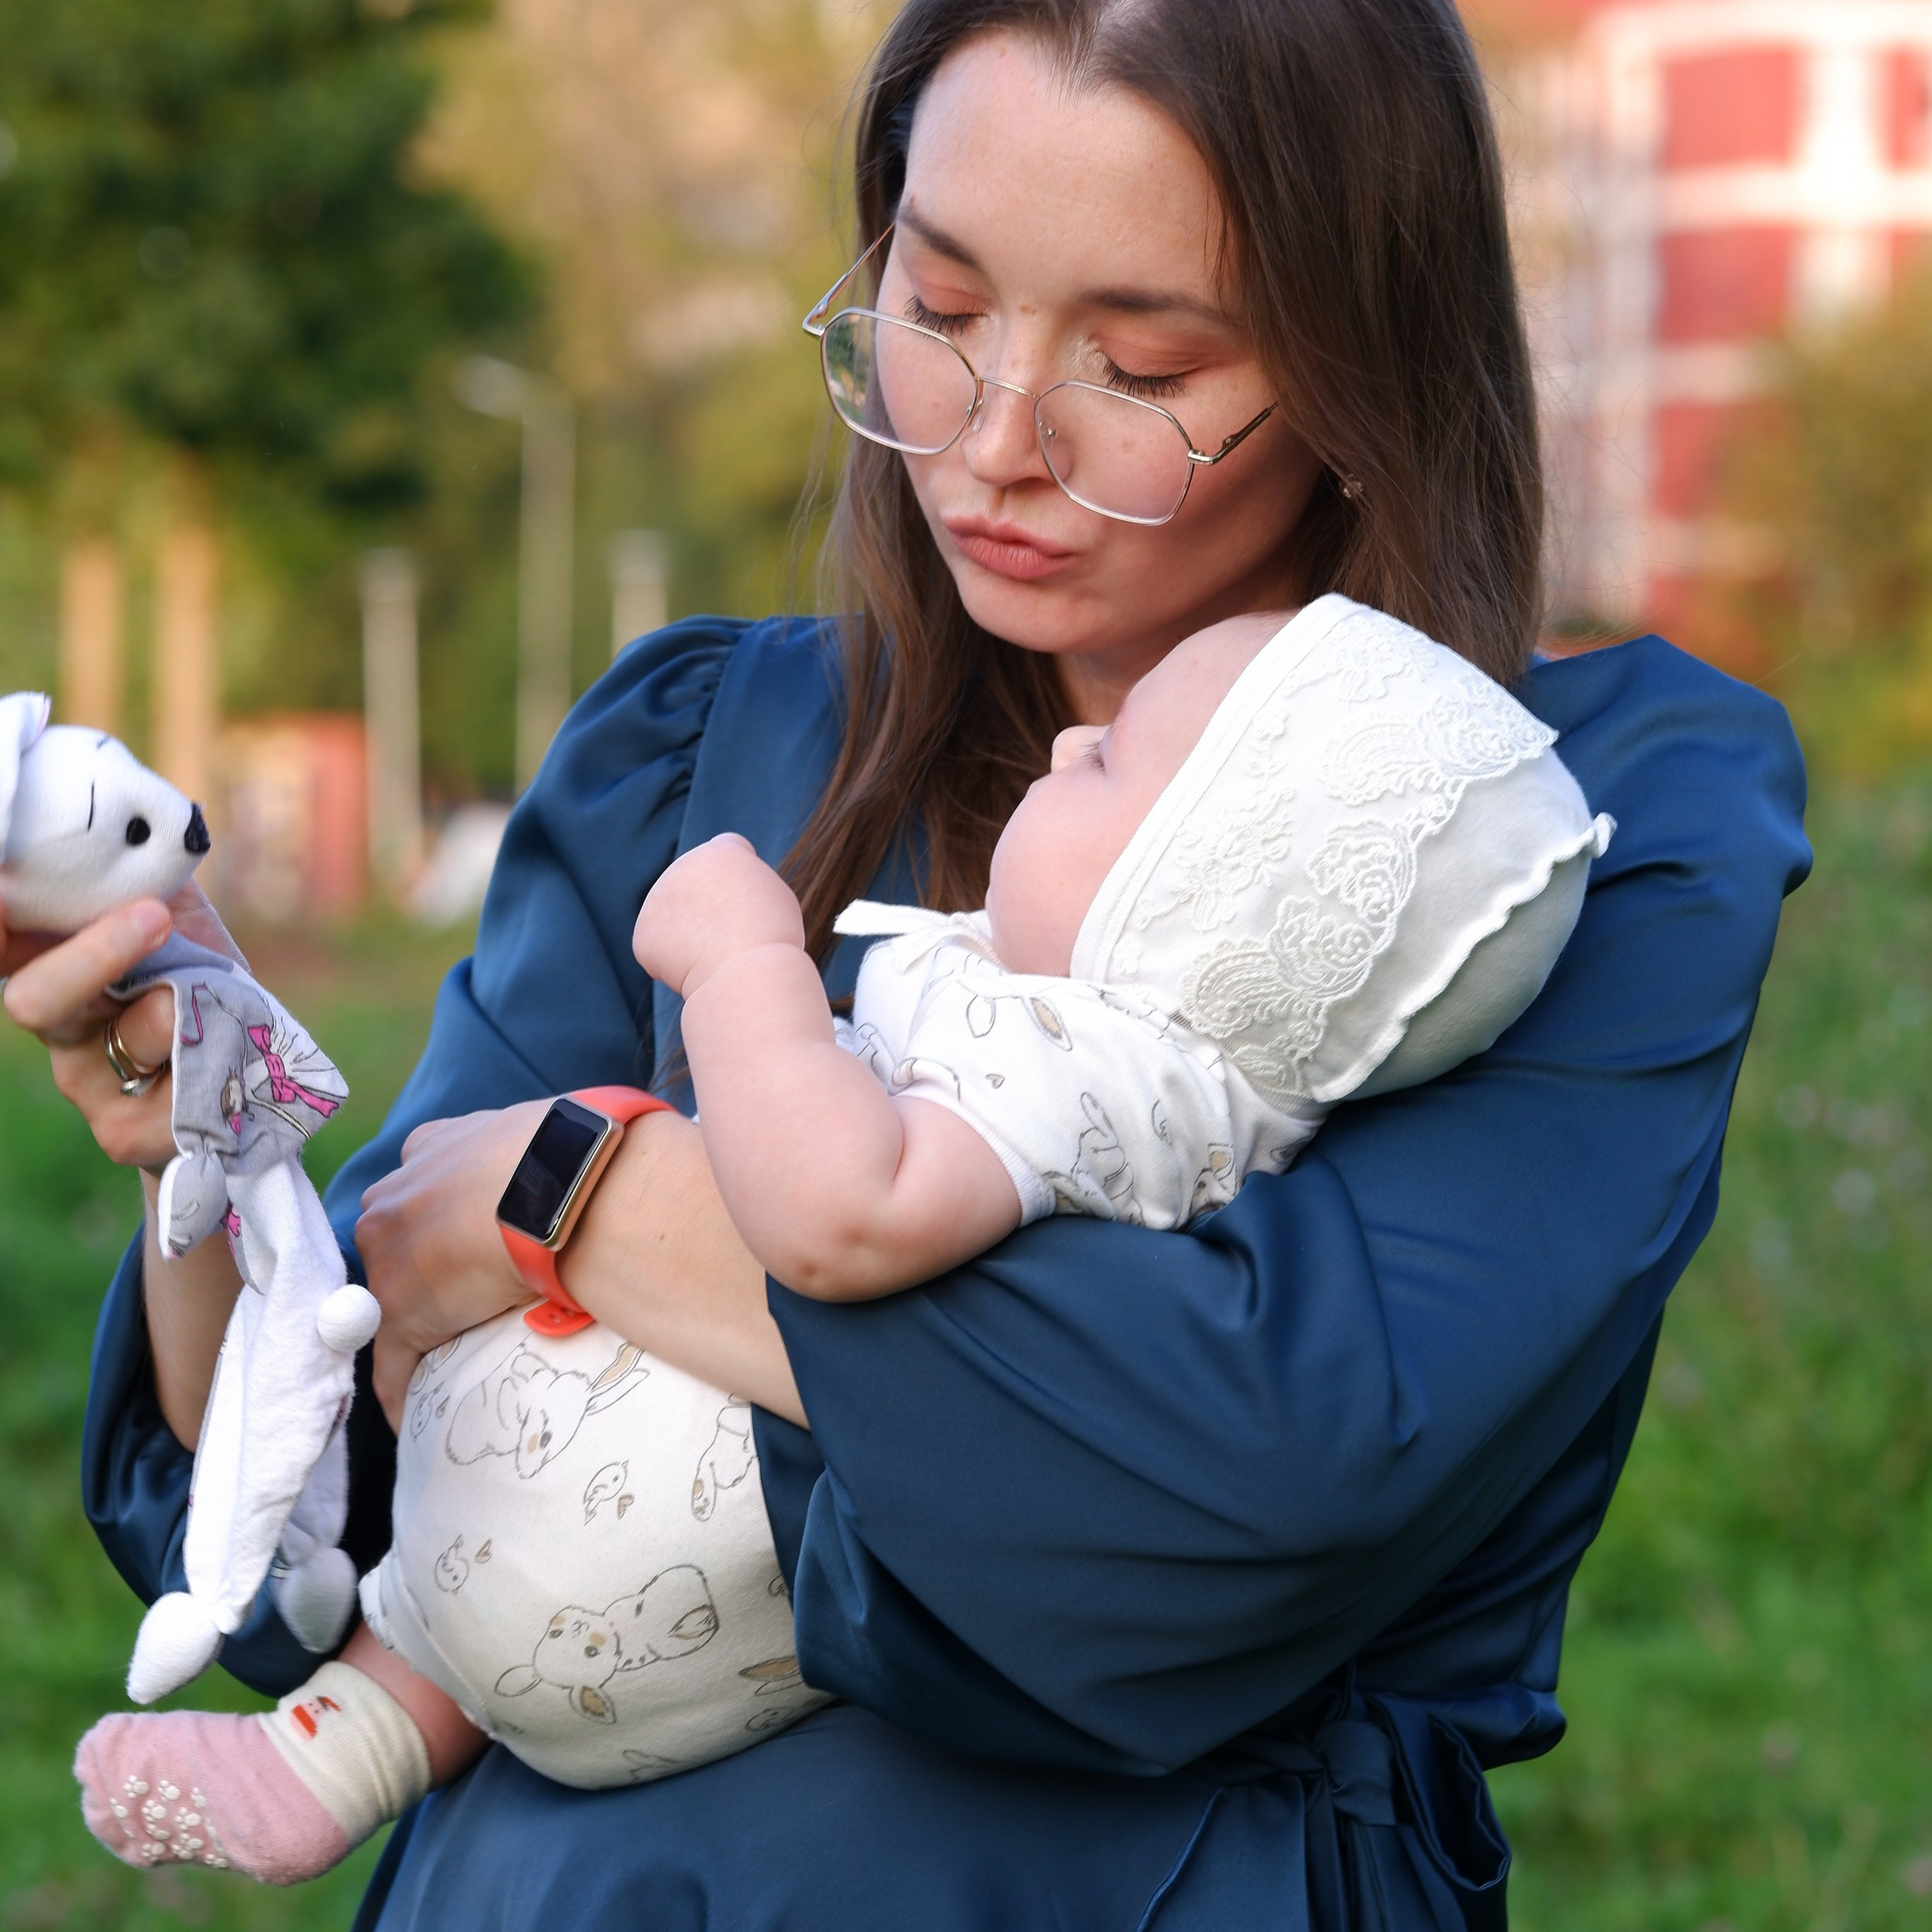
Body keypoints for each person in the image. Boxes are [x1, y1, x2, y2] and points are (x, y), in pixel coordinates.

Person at [5, 0, 1808, 1924]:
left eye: (1137, 361)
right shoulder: (695, 754)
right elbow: (357, 1522)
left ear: (1361, 364)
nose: (991, 444)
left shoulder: (1546, 838)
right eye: (935, 310)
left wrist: (592, 1195)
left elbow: (1234, 1501)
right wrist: (216, 1148)